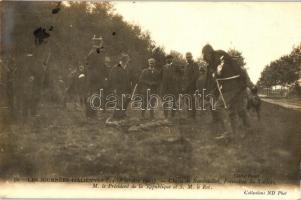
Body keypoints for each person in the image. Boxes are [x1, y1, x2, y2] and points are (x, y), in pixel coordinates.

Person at [202, 44, 251, 139]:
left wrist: (216, 73)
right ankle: (241, 131)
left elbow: (221, 69)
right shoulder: (219, 57)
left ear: (208, 52)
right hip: (237, 86)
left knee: (218, 106)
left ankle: (228, 133)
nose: (204, 58)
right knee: (234, 109)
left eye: (204, 55)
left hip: (232, 86)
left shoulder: (218, 57)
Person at [85, 35, 108, 118]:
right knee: (93, 95)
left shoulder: (95, 52)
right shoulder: (94, 53)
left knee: (94, 95)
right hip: (94, 78)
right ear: (98, 43)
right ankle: (91, 114)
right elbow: (90, 66)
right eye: (101, 42)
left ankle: (91, 114)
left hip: (95, 77)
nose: (102, 44)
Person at [110, 53, 132, 120]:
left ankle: (122, 114)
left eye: (128, 61)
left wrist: (129, 88)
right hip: (119, 88)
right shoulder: (116, 68)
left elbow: (128, 79)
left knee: (126, 101)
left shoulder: (126, 68)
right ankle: (115, 116)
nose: (127, 62)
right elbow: (112, 79)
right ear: (123, 61)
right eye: (127, 61)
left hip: (126, 88)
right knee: (119, 102)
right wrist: (114, 88)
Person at [183, 52, 199, 119]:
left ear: (191, 57)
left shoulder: (194, 64)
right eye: (187, 57)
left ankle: (193, 116)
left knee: (192, 100)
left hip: (192, 86)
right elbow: (185, 76)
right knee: (187, 100)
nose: (188, 58)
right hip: (186, 86)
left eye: (189, 57)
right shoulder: (186, 65)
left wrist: (190, 84)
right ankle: (189, 115)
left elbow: (196, 75)